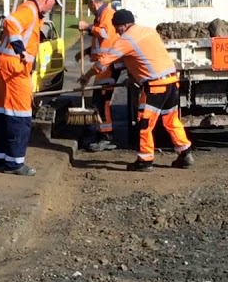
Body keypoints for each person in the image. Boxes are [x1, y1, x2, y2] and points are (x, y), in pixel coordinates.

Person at [78, 9, 194, 172]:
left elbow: (103, 63)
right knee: (171, 120)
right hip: (172, 82)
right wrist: (134, 78)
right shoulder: (148, 31)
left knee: (144, 123)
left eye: (117, 28)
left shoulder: (127, 38)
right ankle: (185, 153)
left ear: (124, 25)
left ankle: (145, 160)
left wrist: (86, 76)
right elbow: (146, 58)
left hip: (155, 87)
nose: (117, 32)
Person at [0, 0, 61, 176]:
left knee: (4, 114)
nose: (51, 9)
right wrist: (20, 49)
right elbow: (11, 22)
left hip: (5, 65)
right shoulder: (29, 10)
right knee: (21, 116)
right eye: (53, 5)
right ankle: (15, 163)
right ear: (48, 0)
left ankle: (2, 160)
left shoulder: (31, 11)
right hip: (15, 68)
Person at [76, 0, 119, 152]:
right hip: (103, 65)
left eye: (88, 4)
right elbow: (100, 42)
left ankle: (107, 136)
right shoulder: (101, 16)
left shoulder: (107, 14)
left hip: (108, 65)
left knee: (102, 101)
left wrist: (88, 28)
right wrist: (86, 52)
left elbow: (105, 34)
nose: (89, 7)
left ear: (93, 2)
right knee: (99, 101)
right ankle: (103, 132)